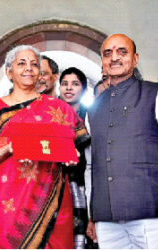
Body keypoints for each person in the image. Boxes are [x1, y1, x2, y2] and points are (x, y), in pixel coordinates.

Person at [0, 45, 89, 249]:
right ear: (8, 72)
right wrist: (11, 147)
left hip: (51, 196)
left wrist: (71, 155)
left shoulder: (58, 108)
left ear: (40, 72)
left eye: (34, 64)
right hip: (6, 198)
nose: (29, 68)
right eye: (21, 63)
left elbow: (80, 152)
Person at [86, 34, 158, 248]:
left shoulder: (157, 93)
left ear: (135, 58)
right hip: (106, 220)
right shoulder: (93, 108)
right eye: (108, 53)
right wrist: (91, 212)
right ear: (102, 61)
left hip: (152, 214)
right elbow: (90, 165)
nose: (114, 58)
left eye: (122, 51)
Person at [59, 67, 90, 249]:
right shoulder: (52, 113)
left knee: (82, 234)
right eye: (64, 84)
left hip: (82, 181)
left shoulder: (90, 115)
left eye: (75, 84)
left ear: (83, 89)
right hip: (56, 181)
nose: (68, 88)